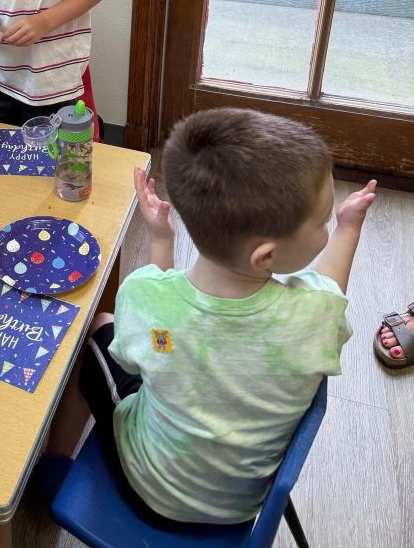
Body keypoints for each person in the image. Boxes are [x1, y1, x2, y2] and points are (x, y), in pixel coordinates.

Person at [48, 107, 376, 524]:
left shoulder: (146, 296)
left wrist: (160, 239)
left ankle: (54, 462)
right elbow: (331, 290)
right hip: (238, 507)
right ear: (265, 256)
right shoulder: (316, 314)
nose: (327, 228)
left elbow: (147, 342)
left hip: (151, 490)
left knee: (99, 326)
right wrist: (349, 229)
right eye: (323, 222)